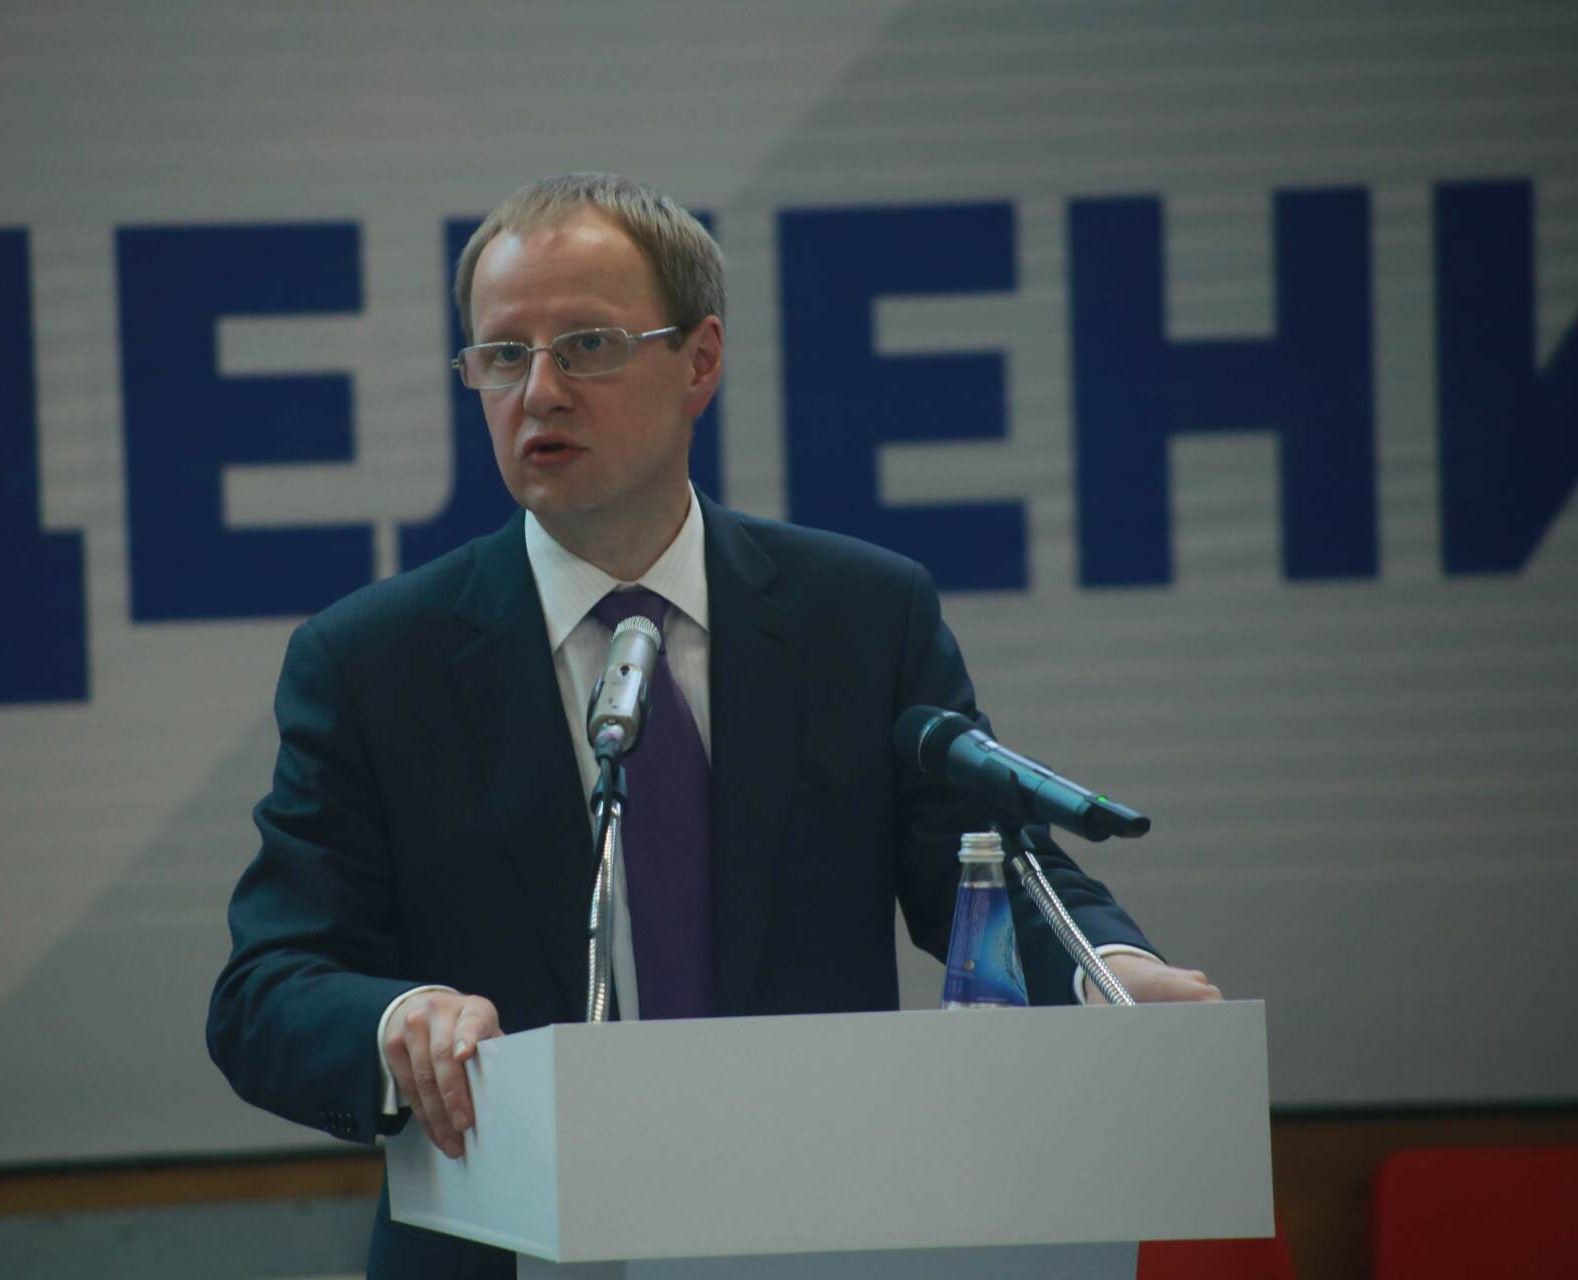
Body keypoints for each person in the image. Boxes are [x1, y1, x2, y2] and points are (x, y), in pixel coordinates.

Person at [207, 172, 1221, 1279]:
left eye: (586, 346)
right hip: (508, 1247)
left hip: (816, 1234)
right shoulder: (374, 662)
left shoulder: (858, 615)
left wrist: (1106, 969)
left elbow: (978, 862)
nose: (539, 391)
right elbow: (268, 988)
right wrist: (397, 1017)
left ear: (700, 361)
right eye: (502, 355)